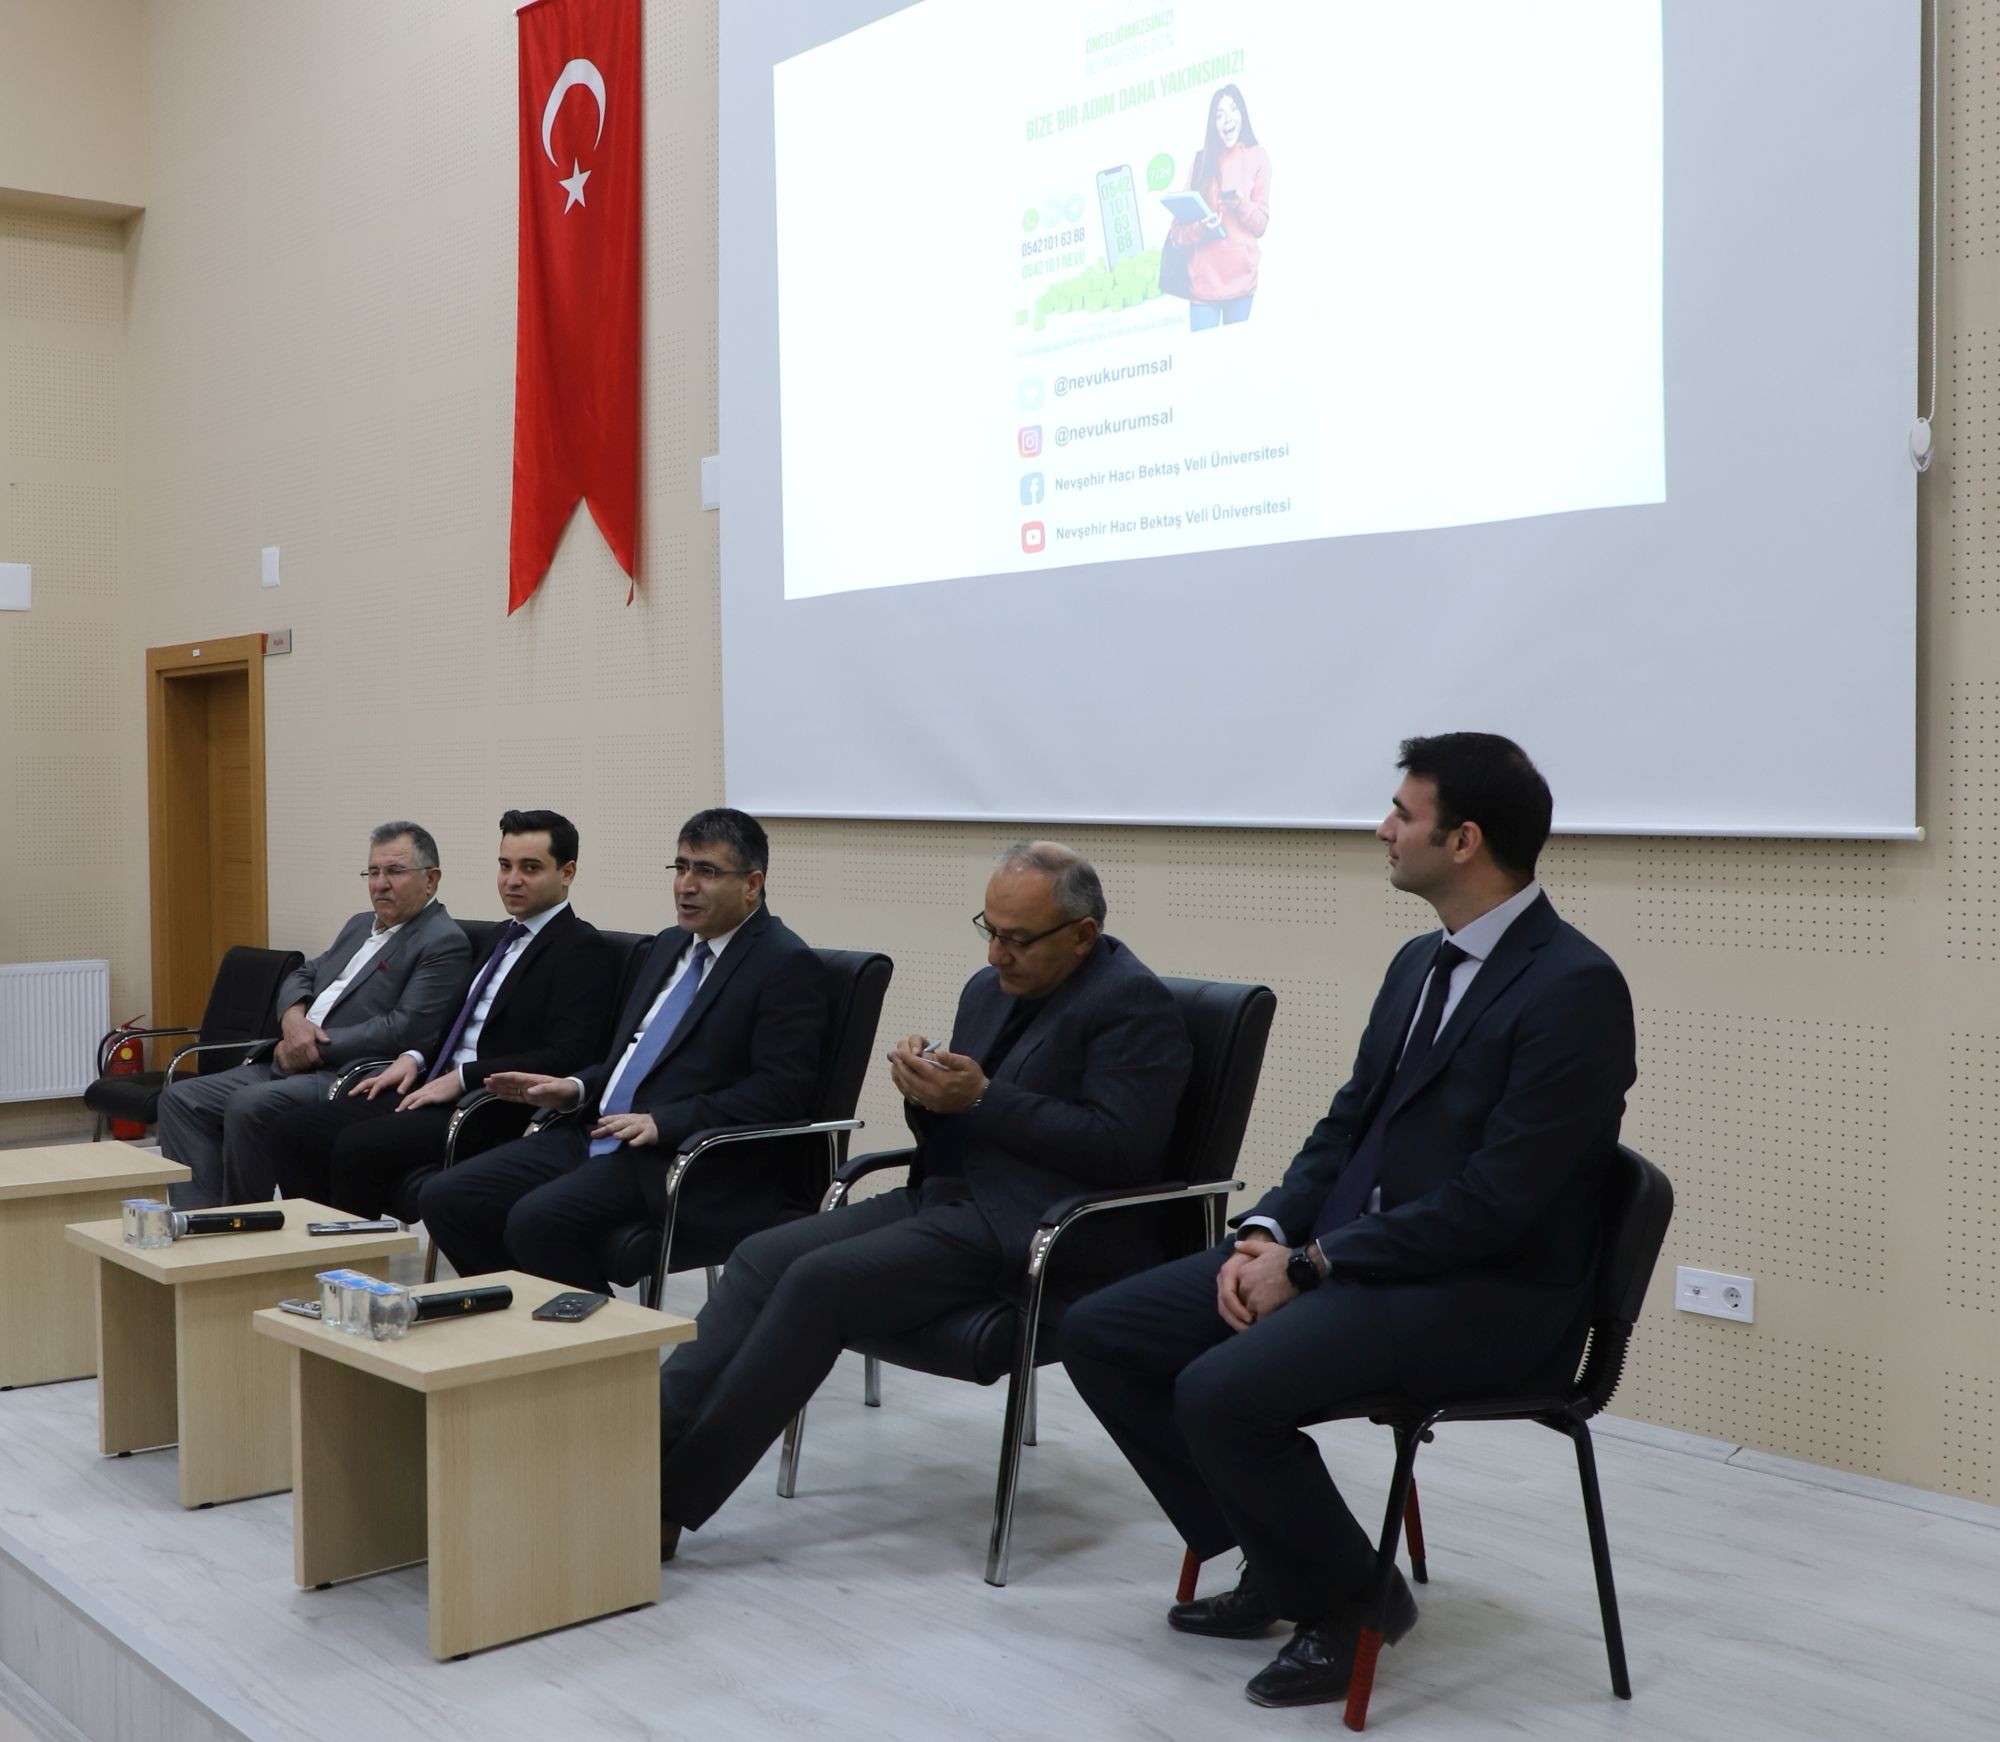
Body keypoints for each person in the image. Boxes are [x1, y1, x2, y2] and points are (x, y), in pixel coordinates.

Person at [1062, 735, 1637, 1709]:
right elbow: (1348, 1127)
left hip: (1486, 1292)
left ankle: (1348, 1602)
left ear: (1462, 840)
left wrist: (1313, 1263)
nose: (1383, 829)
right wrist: (1266, 1231)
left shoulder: (1574, 986)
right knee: (1102, 1331)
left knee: (1217, 1391)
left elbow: (1495, 1203)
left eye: (1402, 814)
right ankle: (1288, 1556)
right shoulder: (1419, 961)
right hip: (1373, 1262)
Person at [652, 841, 1193, 1559]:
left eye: (1017, 939)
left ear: (1082, 935)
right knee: (759, 1256)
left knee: (818, 1281)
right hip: (950, 1195)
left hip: (1039, 1226)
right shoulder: (987, 989)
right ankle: (634, 1452)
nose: (996, 954)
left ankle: (665, 1504)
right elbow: (965, 1119)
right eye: (990, 930)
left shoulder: (1132, 1005)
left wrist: (983, 1098)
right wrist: (928, 1092)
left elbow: (1121, 1149)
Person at [418, 807, 827, 1293]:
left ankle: (595, 1335)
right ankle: (517, 1316)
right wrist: (573, 1088)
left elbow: (779, 1093)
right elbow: (632, 1058)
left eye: (707, 871)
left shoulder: (784, 963)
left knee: (536, 1220)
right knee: (446, 1196)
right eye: (681, 867)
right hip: (596, 1129)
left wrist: (664, 1122)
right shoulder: (671, 945)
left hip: (679, 1157)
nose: (686, 885)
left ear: (752, 884)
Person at [262, 810, 617, 1216]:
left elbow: (567, 1056)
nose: (512, 880)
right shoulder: (501, 935)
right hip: (433, 1083)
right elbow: (457, 1024)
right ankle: (314, 1246)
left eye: (530, 868)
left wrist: (464, 1077)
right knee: (292, 1130)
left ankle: (353, 1254)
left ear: (567, 872)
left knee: (355, 1146)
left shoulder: (581, 948)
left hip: (491, 1104)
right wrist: (414, 1057)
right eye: (505, 866)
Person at [156, 821, 472, 1208]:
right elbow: (304, 973)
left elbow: (403, 1029)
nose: (380, 884)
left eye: (394, 871)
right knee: (181, 1098)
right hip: (292, 1053)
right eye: (373, 872)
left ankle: (244, 1223)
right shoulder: (360, 925)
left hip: (344, 1072)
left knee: (248, 1105)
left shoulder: (442, 941)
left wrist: (313, 1047)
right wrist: (293, 1019)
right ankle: (200, 1219)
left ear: (431, 879)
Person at [1170, 83, 1272, 332]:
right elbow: (1176, 234)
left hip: (1242, 285)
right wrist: (1200, 227)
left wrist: (1241, 204)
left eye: (1233, 109)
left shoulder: (1258, 157)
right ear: (1213, 124)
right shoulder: (1201, 161)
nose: (1227, 119)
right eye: (1219, 114)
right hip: (1203, 288)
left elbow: (1261, 225)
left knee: (1237, 357)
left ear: (1242, 114)